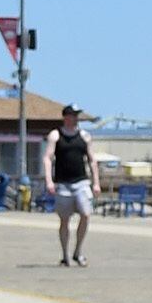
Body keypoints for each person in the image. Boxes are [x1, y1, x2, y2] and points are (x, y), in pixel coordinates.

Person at [48, 107, 96, 266]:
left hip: (82, 182)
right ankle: (65, 255)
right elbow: (47, 158)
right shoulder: (56, 135)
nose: (74, 118)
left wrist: (96, 182)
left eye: (76, 116)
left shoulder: (85, 136)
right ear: (65, 117)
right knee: (64, 220)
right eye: (72, 115)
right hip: (63, 184)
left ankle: (78, 251)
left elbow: (92, 159)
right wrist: (49, 181)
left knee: (86, 214)